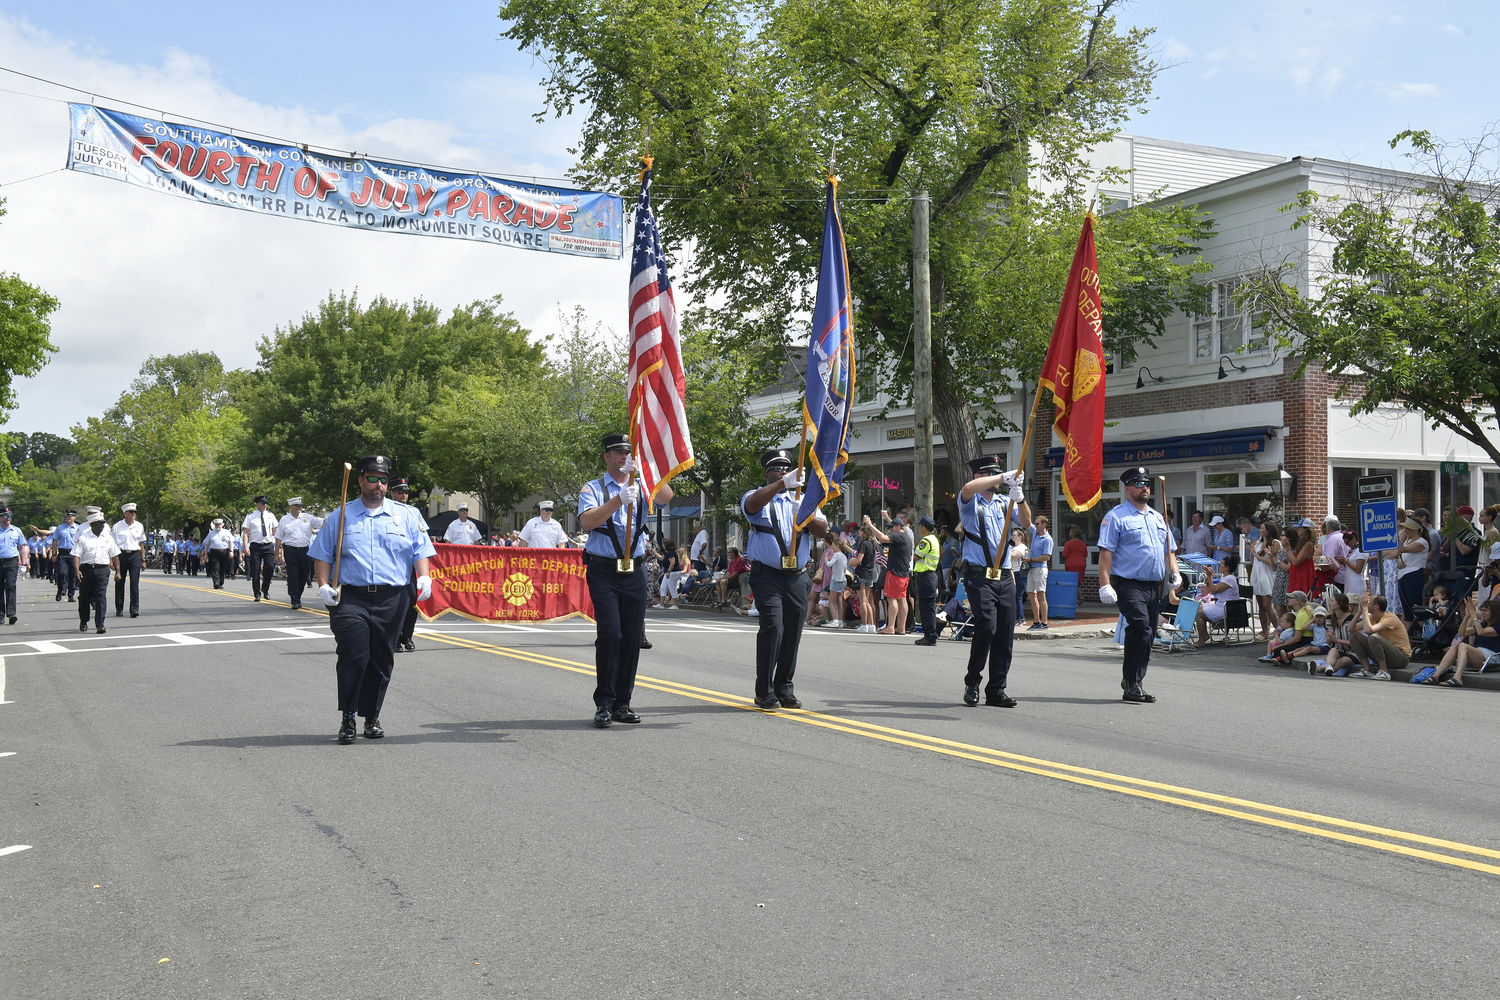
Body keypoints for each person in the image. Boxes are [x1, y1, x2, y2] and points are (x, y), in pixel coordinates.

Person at [310, 455, 436, 745]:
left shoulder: (407, 515)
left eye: (383, 480)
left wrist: (425, 577)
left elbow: (420, 550)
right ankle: (349, 716)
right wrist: (323, 586)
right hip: (351, 596)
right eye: (372, 479)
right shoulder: (341, 514)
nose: (378, 485)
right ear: (360, 481)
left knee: (381, 658)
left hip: (392, 597)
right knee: (354, 654)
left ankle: (371, 716)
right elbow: (322, 554)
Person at [579, 434, 674, 727]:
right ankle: (604, 703)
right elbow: (588, 522)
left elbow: (666, 497)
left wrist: (646, 471)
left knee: (632, 638)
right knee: (611, 634)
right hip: (604, 569)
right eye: (618, 452)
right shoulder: (592, 488)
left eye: (627, 452)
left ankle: (623, 703)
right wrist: (618, 499)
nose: (623, 456)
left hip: (634, 569)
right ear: (606, 457)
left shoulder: (641, 482)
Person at [741, 448, 830, 709]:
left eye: (786, 469)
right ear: (767, 473)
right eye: (778, 469)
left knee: (792, 632)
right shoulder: (756, 496)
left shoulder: (803, 499)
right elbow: (751, 505)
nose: (783, 472)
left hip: (797, 577)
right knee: (773, 627)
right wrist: (783, 485)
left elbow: (824, 531)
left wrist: (805, 514)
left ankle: (783, 688)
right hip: (767, 575)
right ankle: (764, 691)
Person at [1097, 466, 1181, 703]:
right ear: (1127, 488)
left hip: (1155, 585)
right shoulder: (1116, 517)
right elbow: (1106, 553)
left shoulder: (1157, 517)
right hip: (1129, 584)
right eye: (1139, 483)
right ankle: (1132, 681)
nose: (1145, 487)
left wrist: (1174, 573)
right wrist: (1105, 584)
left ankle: (1134, 680)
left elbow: (1169, 551)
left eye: (1147, 483)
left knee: (1149, 632)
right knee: (1141, 627)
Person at [958, 454, 1031, 707]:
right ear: (980, 476)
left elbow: (1026, 522)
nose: (998, 479)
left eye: (998, 474)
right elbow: (967, 489)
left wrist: (1019, 498)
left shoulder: (1003, 503)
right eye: (992, 474)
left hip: (1005, 575)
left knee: (1004, 633)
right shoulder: (970, 502)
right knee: (986, 627)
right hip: (979, 575)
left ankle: (997, 689)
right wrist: (1003, 476)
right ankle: (972, 681)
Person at [388, 479, 430, 652]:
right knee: (395, 604)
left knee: (412, 600)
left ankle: (408, 636)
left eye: (406, 492)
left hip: (408, 564)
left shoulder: (414, 512)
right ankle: (395, 639)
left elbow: (423, 537)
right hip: (390, 563)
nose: (403, 495)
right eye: (399, 492)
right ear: (392, 493)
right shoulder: (385, 509)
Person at [1425, 595, 1500, 686]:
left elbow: (1481, 632)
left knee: (1463, 645)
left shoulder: (1497, 627)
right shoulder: (1483, 625)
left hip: (1491, 656)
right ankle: (1435, 676)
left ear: (1494, 612)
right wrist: (1467, 616)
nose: (1482, 613)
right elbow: (1462, 632)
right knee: (1456, 644)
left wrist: (1473, 613)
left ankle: (1457, 677)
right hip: (1479, 653)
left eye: (1485, 610)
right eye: (1482, 610)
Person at [73, 512, 121, 634]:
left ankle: (100, 624)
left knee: (101, 596)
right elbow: (76, 556)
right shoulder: (83, 538)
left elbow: (115, 555)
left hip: (102, 570)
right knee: (84, 597)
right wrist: (77, 570)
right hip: (87, 569)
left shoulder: (108, 538)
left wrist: (118, 572)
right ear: (92, 524)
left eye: (103, 523)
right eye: (99, 523)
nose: (102, 525)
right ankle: (83, 621)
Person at [275, 497, 325, 610]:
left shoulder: (307, 518)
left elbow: (322, 522)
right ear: (291, 507)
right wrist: (276, 555)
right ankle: (294, 599)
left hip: (305, 550)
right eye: (297, 506)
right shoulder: (284, 519)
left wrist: (336, 516)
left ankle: (298, 595)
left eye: (300, 505)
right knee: (293, 574)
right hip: (290, 550)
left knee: (304, 574)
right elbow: (278, 538)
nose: (300, 508)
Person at [1344, 593, 1409, 680]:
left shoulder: (1390, 618)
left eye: (1368, 602)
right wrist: (1360, 612)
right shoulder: (1371, 618)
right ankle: (1367, 669)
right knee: (1354, 636)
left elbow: (1368, 630)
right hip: (1386, 655)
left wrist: (1364, 609)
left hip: (1400, 658)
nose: (1366, 603)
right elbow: (1350, 629)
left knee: (1373, 637)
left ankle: (1384, 671)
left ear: (1376, 606)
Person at [867, 513, 911, 635]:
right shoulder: (906, 538)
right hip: (904, 573)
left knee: (892, 599)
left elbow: (883, 538)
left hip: (895, 573)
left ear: (898, 527)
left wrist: (870, 525)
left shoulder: (899, 536)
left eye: (892, 527)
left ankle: (891, 626)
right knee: (902, 599)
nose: (890, 529)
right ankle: (901, 627)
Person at [1192, 553, 1242, 646]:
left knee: (1198, 612)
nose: (1219, 566)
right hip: (1222, 606)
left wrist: (1210, 577)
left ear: (1227, 567)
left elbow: (1214, 590)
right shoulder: (1227, 578)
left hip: (1225, 609)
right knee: (1197, 607)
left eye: (1221, 565)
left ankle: (1202, 639)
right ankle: (1204, 636)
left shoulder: (1229, 579)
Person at [109, 503, 147, 618]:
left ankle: (134, 609)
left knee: (134, 583)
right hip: (120, 555)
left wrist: (143, 560)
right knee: (119, 582)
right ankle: (119, 608)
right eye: (131, 512)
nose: (133, 514)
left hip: (135, 555)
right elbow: (112, 544)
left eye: (134, 512)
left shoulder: (139, 526)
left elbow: (141, 544)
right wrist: (111, 560)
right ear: (125, 513)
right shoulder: (117, 526)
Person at [241, 495, 278, 602]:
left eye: (266, 503)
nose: (265, 505)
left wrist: (276, 540)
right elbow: (246, 532)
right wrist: (245, 546)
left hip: (268, 545)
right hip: (256, 546)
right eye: (263, 503)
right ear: (258, 504)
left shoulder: (271, 515)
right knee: (256, 570)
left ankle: (265, 589)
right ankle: (257, 593)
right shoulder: (250, 516)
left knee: (270, 568)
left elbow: (276, 529)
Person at [1393, 515, 1429, 622]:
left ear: (1415, 529)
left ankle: (1424, 633)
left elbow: (1402, 549)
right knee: (1407, 610)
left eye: (1408, 528)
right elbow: (1399, 553)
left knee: (1416, 607)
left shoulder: (1422, 542)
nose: (1405, 530)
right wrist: (1399, 562)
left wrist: (1398, 536)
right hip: (1403, 576)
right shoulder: (1407, 541)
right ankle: (1407, 636)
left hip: (1414, 575)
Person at [911, 516, 941, 644]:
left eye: (920, 526)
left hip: (926, 576)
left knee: (926, 607)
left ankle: (929, 635)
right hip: (930, 576)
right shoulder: (934, 539)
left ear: (924, 526)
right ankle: (929, 634)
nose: (919, 528)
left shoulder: (926, 541)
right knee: (927, 606)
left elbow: (917, 557)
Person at [1251, 521, 1280, 640]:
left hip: (1267, 575)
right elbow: (1252, 562)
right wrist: (1252, 551)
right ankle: (1264, 631)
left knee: (1267, 605)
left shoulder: (1275, 543)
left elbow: (1270, 561)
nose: (1260, 529)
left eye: (1262, 528)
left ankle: (1279, 630)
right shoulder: (1258, 542)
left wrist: (1256, 555)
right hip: (1257, 574)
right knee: (1260, 606)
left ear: (1268, 530)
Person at [851, 521, 880, 633]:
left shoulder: (863, 544)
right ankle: (871, 624)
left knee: (862, 600)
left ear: (864, 532)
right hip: (869, 573)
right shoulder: (872, 543)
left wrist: (849, 563)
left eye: (860, 530)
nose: (859, 531)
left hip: (862, 572)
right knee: (867, 600)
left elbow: (859, 559)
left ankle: (864, 624)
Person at [0, 508, 27, 625]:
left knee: (11, 586)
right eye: (5, 516)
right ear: (0, 517)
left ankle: (11, 614)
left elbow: (22, 547)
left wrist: (24, 564)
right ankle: (0, 615)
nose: (8, 518)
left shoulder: (16, 531)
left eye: (10, 516)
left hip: (11, 562)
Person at [1026, 516, 1053, 630]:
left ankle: (1045, 622)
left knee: (1041, 595)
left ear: (1044, 525)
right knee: (1031, 594)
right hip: (1031, 568)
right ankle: (1036, 621)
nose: (1035, 526)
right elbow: (1028, 523)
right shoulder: (1036, 534)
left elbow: (1047, 557)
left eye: (1037, 524)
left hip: (1040, 569)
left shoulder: (1047, 539)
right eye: (1035, 524)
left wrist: (1032, 560)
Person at [51, 509, 80, 602]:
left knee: (72, 575)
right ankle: (60, 590)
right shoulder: (60, 528)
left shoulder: (78, 528)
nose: (68, 518)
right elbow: (54, 541)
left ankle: (71, 595)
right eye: (67, 516)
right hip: (63, 553)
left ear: (74, 517)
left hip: (73, 553)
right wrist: (54, 554)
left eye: (70, 516)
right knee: (61, 573)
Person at [1286, 525, 1318, 604]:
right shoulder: (1302, 543)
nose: (1297, 529)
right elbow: (1292, 561)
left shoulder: (1308, 544)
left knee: (1300, 602)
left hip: (1303, 575)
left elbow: (1296, 562)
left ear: (1306, 529)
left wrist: (1287, 549)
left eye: (1299, 527)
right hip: (1297, 574)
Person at [201, 518, 235, 589]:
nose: (217, 526)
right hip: (214, 552)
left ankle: (221, 583)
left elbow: (231, 542)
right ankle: (216, 582)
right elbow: (207, 544)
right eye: (216, 525)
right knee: (215, 568)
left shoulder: (227, 532)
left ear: (222, 525)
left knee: (222, 568)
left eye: (219, 524)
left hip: (224, 552)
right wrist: (205, 554)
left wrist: (231, 551)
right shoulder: (211, 533)